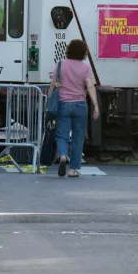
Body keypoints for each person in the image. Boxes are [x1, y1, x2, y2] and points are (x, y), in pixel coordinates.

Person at [51, 39, 100, 177]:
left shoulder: (60, 65)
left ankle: (62, 156)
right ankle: (73, 170)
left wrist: (50, 101)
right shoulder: (85, 68)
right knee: (78, 137)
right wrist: (95, 105)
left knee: (62, 134)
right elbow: (90, 86)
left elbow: (54, 85)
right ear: (83, 53)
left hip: (63, 104)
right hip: (80, 105)